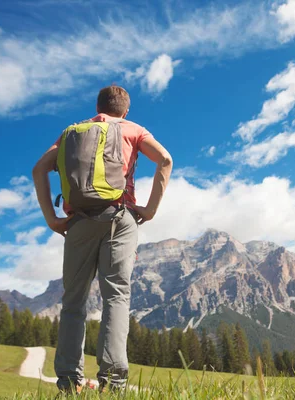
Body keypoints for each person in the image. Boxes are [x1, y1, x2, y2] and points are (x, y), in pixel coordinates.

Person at [32, 85, 173, 393]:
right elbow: (165, 160)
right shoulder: (132, 129)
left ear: (97, 107)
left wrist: (51, 219)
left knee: (73, 302)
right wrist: (148, 210)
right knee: (116, 297)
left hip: (78, 222)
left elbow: (38, 169)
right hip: (120, 218)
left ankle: (69, 383)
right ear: (125, 110)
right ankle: (114, 384)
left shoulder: (72, 132)